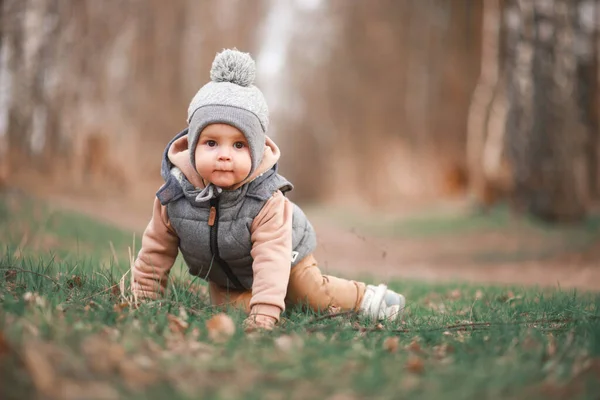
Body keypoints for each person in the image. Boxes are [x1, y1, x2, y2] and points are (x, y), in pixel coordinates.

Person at [131, 48, 405, 331]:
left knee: (310, 294)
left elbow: (272, 260)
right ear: (191, 145)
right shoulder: (174, 196)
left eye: (239, 145)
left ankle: (370, 299)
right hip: (229, 278)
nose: (224, 155)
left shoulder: (265, 199)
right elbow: (156, 251)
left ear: (257, 150)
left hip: (286, 257)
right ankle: (274, 301)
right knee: (230, 309)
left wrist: (262, 318)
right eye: (211, 143)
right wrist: (143, 300)